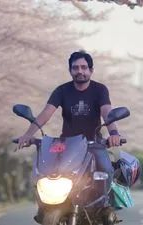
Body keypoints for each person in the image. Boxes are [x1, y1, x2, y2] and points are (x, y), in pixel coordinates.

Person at [16, 50, 122, 224]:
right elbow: (46, 113)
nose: (79, 71)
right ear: (70, 70)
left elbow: (107, 113)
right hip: (67, 145)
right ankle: (45, 207)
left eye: (83, 67)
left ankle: (105, 209)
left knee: (106, 169)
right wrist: (27, 135)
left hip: (94, 143)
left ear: (91, 70)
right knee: (47, 173)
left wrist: (114, 134)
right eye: (75, 68)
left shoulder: (100, 90)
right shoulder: (62, 90)